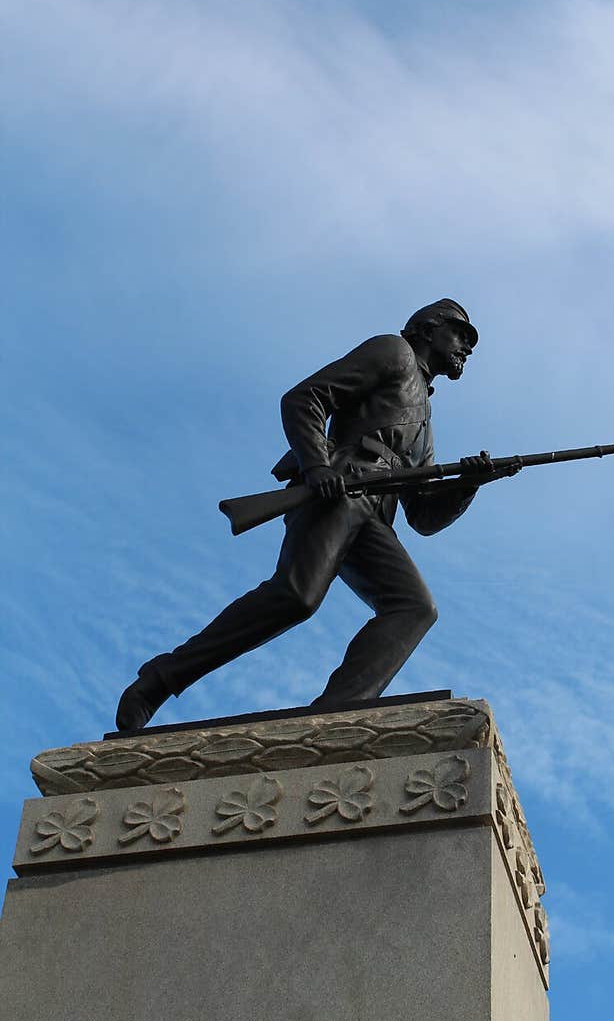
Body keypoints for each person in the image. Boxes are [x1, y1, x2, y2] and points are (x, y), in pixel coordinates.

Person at [115, 298, 520, 731]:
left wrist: (469, 483)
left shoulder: (425, 416)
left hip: (374, 516)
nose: (467, 347)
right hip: (340, 492)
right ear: (426, 329)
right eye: (461, 333)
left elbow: (422, 516)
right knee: (295, 597)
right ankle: (159, 680)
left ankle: (336, 712)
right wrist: (317, 465)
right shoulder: (393, 352)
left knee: (414, 607)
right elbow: (304, 398)